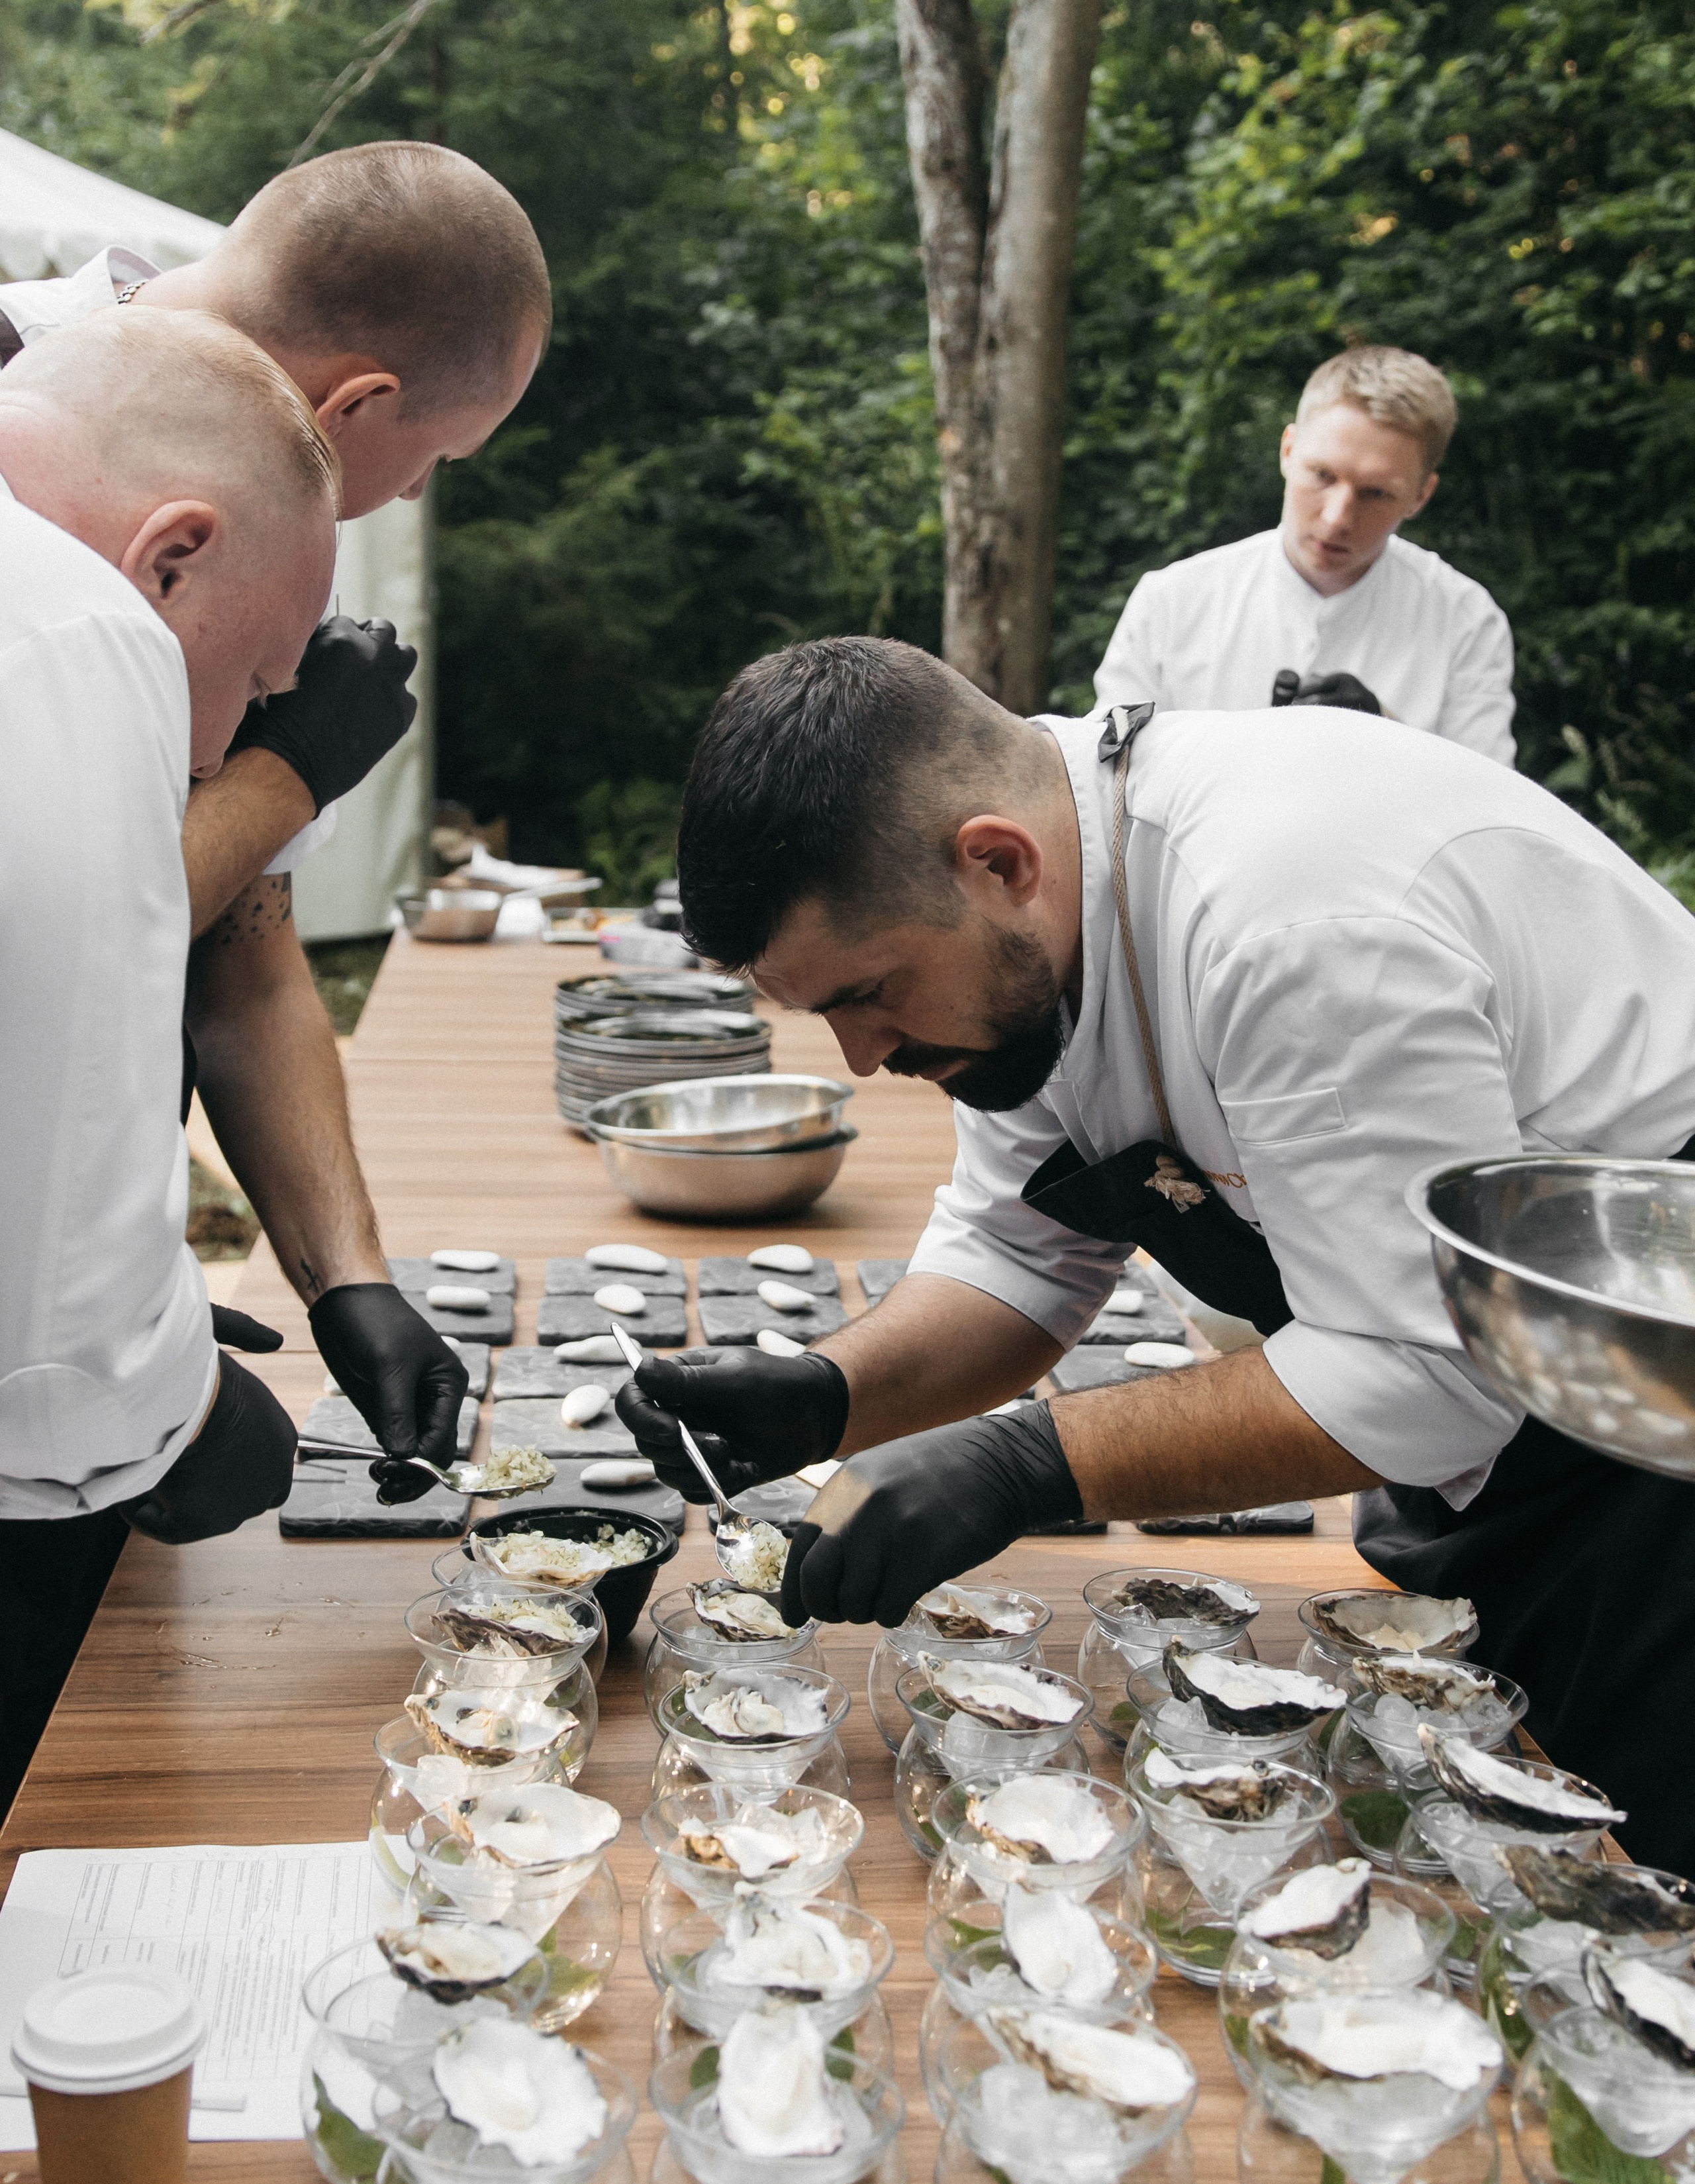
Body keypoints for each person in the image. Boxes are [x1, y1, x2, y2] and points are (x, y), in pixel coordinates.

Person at [621, 637, 1695, 1874]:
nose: (864, 1057)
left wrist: (1027, 1462)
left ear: (998, 862)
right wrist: (833, 1393)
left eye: (872, 994)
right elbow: (1018, 1252)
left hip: (1645, 1420)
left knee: (1635, 1855)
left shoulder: (1290, 923)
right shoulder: (1043, 921)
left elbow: (1428, 1380)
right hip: (1493, 1423)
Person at [0, 140, 554, 1461]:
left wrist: (344, 1279)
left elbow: (241, 958)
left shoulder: (255, 531)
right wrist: (288, 769)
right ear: (354, 404)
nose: (414, 496)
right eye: (437, 458)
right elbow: (52, 939)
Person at [0, 308, 342, 1805]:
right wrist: (173, 1405)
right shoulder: (78, 630)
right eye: (257, 684)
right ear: (172, 557)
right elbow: (53, 1274)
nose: (227, 749)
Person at [1091, 346, 1516, 765]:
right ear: (1288, 451)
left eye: (1376, 493)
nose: (1336, 519)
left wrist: (1389, 738)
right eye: (1323, 475)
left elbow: (1492, 811)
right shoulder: (1171, 603)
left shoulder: (1465, 622)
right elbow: (1106, 772)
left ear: (1421, 495)